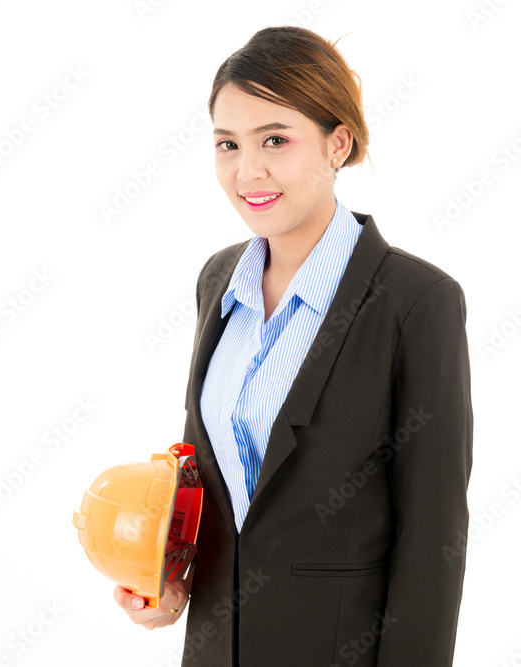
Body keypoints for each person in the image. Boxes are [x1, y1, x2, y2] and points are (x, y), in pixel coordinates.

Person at [113, 25, 473, 665]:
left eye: (275, 140)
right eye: (228, 144)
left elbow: (433, 536)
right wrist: (173, 582)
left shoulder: (416, 302)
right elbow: (210, 477)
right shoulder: (219, 282)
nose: (247, 170)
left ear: (339, 143)